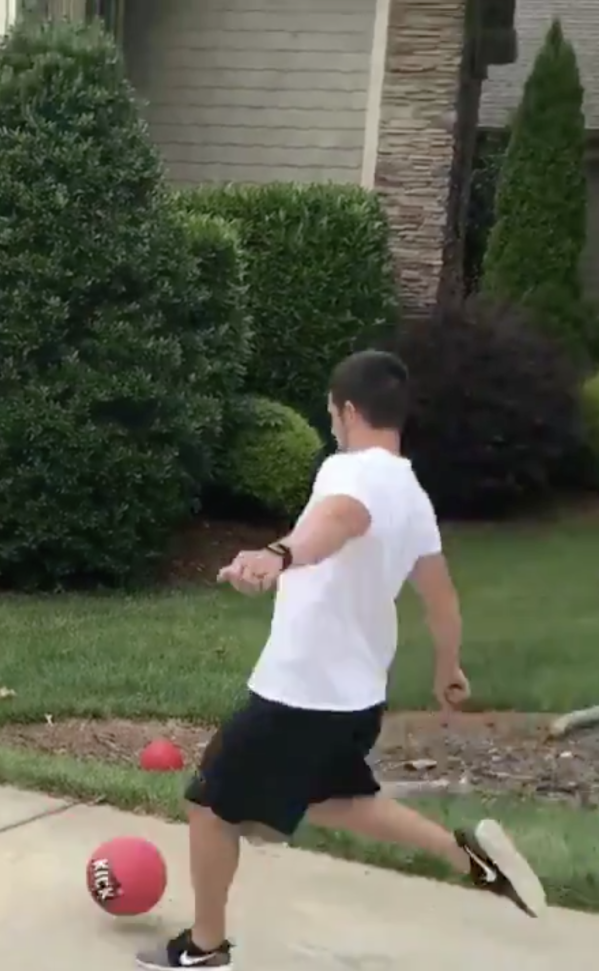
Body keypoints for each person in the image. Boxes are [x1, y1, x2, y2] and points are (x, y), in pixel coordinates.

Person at [134, 350, 546, 971]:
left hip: (303, 691)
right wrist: (448, 667)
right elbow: (441, 596)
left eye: (331, 414)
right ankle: (471, 860)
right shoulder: (411, 493)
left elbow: (339, 520)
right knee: (333, 800)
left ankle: (204, 948)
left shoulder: (349, 472)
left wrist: (279, 552)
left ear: (348, 411)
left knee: (210, 807)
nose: (332, 424)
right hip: (354, 698)